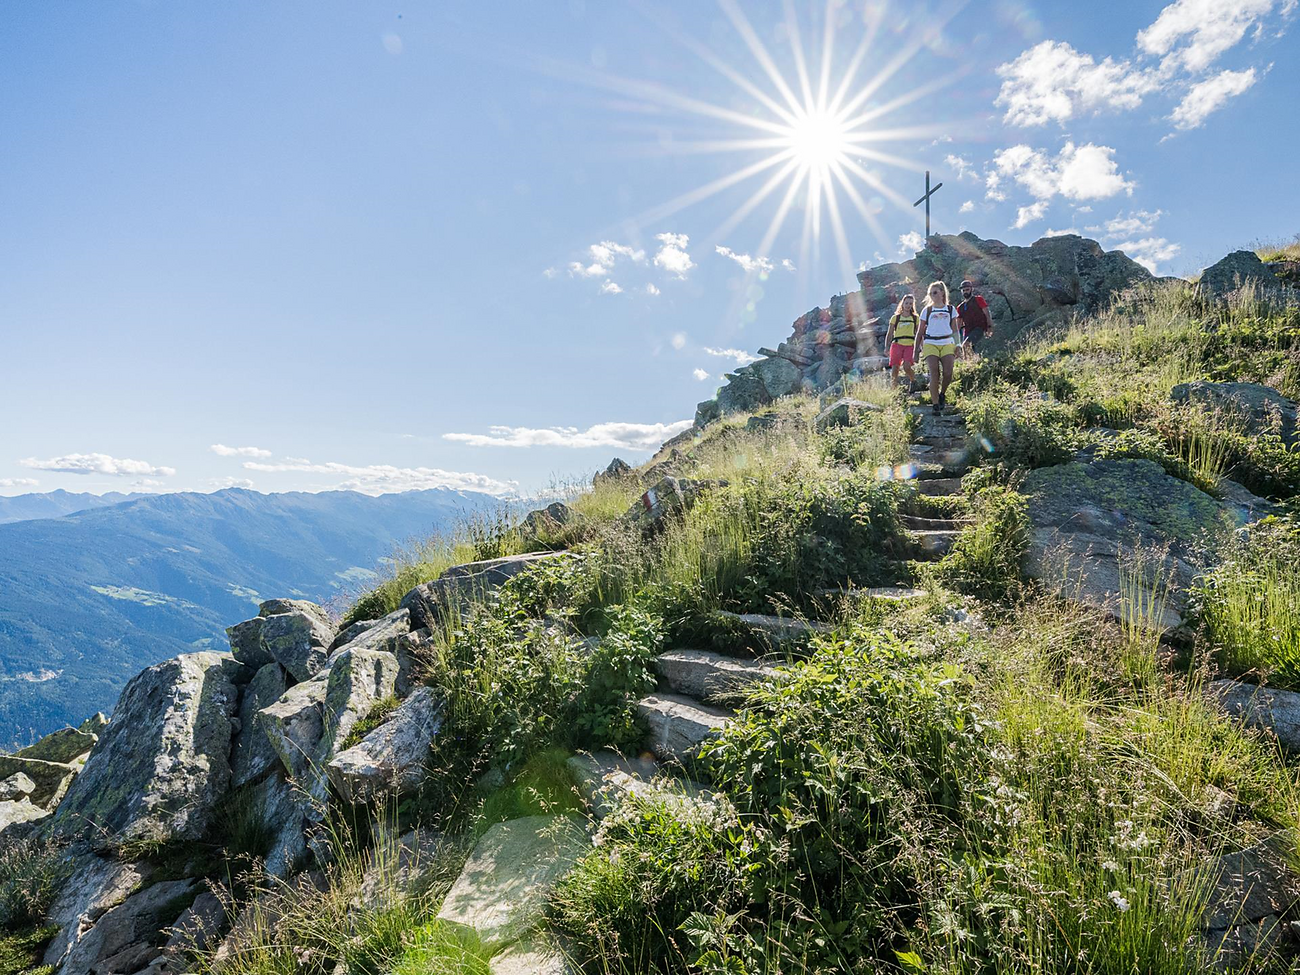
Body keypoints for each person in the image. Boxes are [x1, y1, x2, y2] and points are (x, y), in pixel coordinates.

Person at [914, 280, 958, 414]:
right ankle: (935, 404)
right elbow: (920, 332)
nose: (932, 295)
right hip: (930, 343)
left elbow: (955, 329)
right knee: (934, 372)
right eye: (930, 293)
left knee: (948, 372)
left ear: (942, 293)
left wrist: (958, 345)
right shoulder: (927, 311)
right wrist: (916, 351)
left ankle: (942, 393)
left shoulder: (950, 309)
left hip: (947, 342)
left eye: (935, 292)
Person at [883, 294, 919, 391]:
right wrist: (886, 347)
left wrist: (921, 347)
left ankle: (913, 381)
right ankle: (894, 390)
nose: (908, 305)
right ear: (902, 304)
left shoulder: (915, 318)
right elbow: (890, 333)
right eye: (906, 303)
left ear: (912, 305)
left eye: (910, 303)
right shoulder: (895, 318)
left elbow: (919, 334)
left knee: (907, 366)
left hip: (910, 345)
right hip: (897, 344)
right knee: (895, 368)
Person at [956, 279, 994, 356]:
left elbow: (987, 313)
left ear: (971, 289)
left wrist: (989, 326)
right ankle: (973, 362)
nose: (965, 292)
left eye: (967, 290)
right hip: (967, 331)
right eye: (963, 290)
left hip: (979, 328)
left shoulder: (978, 299)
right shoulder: (960, 307)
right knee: (967, 352)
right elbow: (958, 324)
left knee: (966, 345)